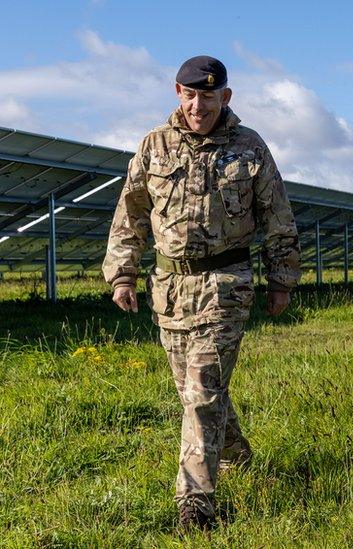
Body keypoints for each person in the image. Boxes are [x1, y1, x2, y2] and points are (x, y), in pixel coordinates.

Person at [102, 55, 300, 529]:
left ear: (225, 97)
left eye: (208, 97)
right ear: (177, 93)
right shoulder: (154, 145)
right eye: (190, 95)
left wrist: (282, 280)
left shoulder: (249, 147)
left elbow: (277, 215)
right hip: (169, 288)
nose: (198, 105)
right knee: (193, 391)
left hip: (225, 286)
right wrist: (123, 274)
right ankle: (236, 453)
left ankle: (195, 503)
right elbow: (130, 213)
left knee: (202, 390)